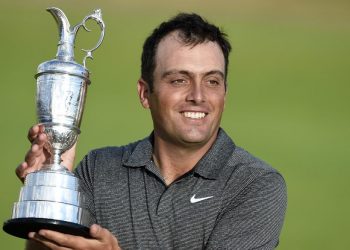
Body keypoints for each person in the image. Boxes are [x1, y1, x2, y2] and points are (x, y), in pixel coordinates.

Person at [16, 13, 287, 250]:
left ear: (225, 94)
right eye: (179, 80)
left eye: (212, 81)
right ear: (145, 93)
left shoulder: (255, 184)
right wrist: (48, 196)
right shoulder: (98, 169)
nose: (198, 95)